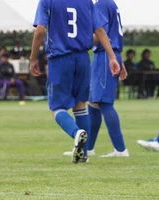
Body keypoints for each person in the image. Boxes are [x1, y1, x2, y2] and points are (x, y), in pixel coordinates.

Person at [30, 0, 120, 164]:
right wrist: (112, 57)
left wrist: (33, 58)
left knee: (57, 107)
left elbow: (40, 31)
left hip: (60, 59)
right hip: (83, 58)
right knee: (80, 105)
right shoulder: (86, 1)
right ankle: (83, 154)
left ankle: (76, 133)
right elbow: (99, 30)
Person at [70, 0, 129, 158]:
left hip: (105, 56)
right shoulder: (111, 3)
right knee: (93, 102)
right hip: (108, 55)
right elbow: (117, 34)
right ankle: (88, 148)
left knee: (104, 102)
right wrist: (120, 59)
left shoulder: (101, 4)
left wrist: (75, 41)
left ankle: (121, 149)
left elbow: (99, 34)